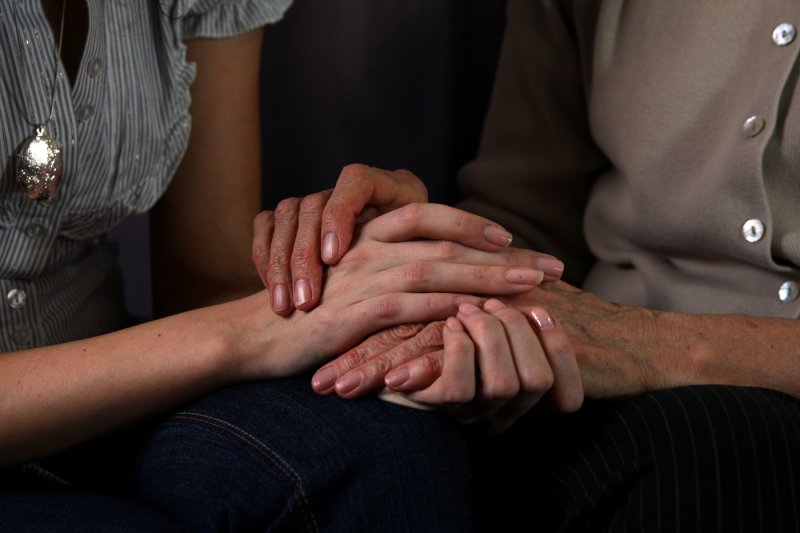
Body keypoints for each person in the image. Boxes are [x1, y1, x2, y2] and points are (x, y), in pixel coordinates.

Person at [0, 1, 567, 530]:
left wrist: (342, 267)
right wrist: (252, 332)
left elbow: (207, 280)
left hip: (114, 400)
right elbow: (237, 327)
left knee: (389, 452)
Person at [259, 1, 800, 531]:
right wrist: (417, 256)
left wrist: (656, 342)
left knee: (698, 457)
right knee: (340, 436)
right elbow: (529, 213)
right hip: (583, 375)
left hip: (685, 426)